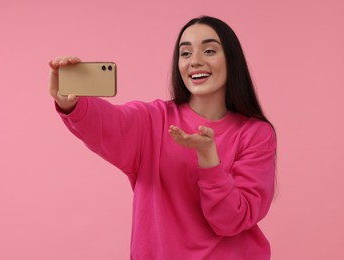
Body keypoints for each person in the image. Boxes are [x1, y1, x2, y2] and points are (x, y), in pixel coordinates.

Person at [49, 16, 277, 260]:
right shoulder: (152, 120)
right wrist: (71, 102)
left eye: (209, 50)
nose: (195, 61)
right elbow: (107, 123)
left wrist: (208, 158)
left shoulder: (256, 134)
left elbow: (232, 221)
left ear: (232, 60)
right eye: (185, 53)